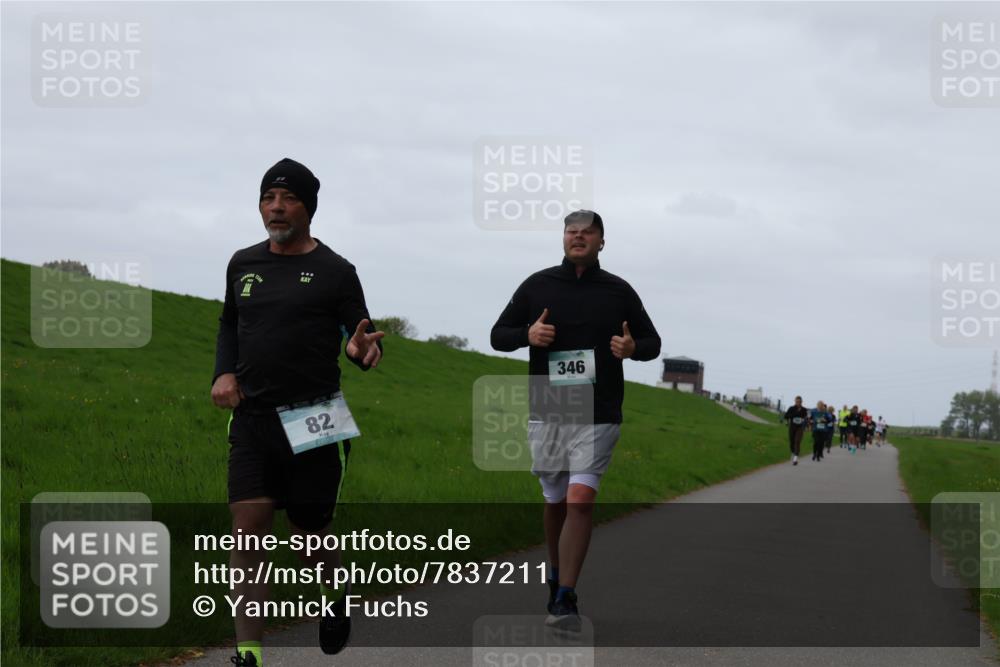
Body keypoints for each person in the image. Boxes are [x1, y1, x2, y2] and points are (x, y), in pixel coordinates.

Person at [211, 158, 385, 667]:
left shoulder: (336, 271)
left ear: (308, 207)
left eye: (287, 199)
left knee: (309, 536)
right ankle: (248, 652)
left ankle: (332, 597)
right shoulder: (242, 264)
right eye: (269, 198)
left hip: (316, 417)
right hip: (253, 417)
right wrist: (222, 374)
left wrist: (360, 350)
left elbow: (360, 334)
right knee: (249, 526)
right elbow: (228, 324)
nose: (276, 207)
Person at [490, 209, 661, 630]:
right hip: (549, 408)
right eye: (572, 232)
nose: (578, 238)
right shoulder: (538, 285)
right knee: (555, 498)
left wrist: (632, 346)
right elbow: (498, 334)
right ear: (563, 238)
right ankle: (555, 572)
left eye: (587, 233)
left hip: (599, 410)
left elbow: (653, 344)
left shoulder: (619, 291)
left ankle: (565, 596)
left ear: (602, 241)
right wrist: (526, 335)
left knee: (580, 498)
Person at [784, 396, 809, 465]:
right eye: (797, 402)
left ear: (801, 402)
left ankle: (795, 458)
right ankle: (792, 452)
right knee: (792, 441)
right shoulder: (791, 408)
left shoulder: (805, 410)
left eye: (799, 402)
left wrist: (807, 424)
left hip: (800, 428)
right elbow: (786, 416)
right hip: (792, 427)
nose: (798, 403)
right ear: (795, 401)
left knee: (797, 441)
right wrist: (792, 416)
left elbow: (808, 418)